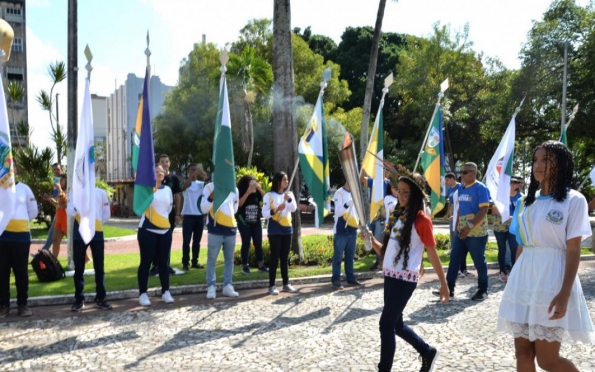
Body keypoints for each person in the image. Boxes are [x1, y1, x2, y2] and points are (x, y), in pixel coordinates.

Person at [497, 141, 594, 371]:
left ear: (560, 165)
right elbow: (522, 245)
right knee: (522, 354)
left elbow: (573, 250)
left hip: (552, 280)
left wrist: (564, 292)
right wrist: (513, 280)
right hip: (523, 279)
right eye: (535, 160)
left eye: (545, 160)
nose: (537, 165)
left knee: (548, 360)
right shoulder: (525, 202)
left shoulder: (574, 200)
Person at [368, 172, 449, 372]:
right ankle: (427, 351)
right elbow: (386, 251)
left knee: (386, 324)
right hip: (389, 276)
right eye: (399, 192)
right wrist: (371, 240)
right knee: (396, 325)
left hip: (404, 280)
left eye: (406, 193)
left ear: (416, 195)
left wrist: (444, 284)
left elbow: (432, 253)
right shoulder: (397, 215)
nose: (401, 197)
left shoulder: (422, 220)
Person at [439, 162, 490, 301]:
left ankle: (483, 290)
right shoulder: (460, 189)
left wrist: (469, 226)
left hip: (476, 232)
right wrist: (456, 228)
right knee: (454, 260)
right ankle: (449, 289)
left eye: (465, 172)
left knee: (479, 261)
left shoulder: (481, 188)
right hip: (461, 231)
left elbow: (484, 209)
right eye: (461, 172)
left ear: (474, 172)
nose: (461, 175)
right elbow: (458, 210)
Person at [0, 162, 38, 318]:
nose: (10, 169)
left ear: (16, 169)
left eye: (12, 166)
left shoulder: (25, 189)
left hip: (21, 238)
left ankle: (22, 305)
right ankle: (4, 306)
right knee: (2, 273)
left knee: (21, 273)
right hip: (2, 237)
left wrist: (19, 223)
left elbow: (33, 211)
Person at [67, 186, 112, 312]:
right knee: (79, 267)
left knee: (99, 267)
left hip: (96, 232)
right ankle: (79, 299)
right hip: (79, 232)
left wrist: (95, 223)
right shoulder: (74, 191)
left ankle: (101, 297)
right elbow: (70, 210)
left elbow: (106, 214)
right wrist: (78, 207)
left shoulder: (101, 192)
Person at [137, 164, 175, 306]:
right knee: (146, 262)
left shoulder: (168, 190)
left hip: (164, 230)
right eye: (156, 171)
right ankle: (143, 293)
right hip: (147, 230)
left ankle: (165, 291)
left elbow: (169, 208)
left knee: (164, 263)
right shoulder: (146, 190)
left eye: (161, 171)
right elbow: (140, 206)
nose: (160, 173)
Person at [201, 176, 240, 299]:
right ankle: (211, 286)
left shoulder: (234, 189)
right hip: (215, 228)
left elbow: (234, 209)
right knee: (212, 259)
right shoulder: (209, 187)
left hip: (230, 228)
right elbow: (203, 208)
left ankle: (228, 285)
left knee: (229, 259)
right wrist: (211, 197)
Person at [262, 172, 298, 295]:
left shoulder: (289, 194)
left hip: (287, 229)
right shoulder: (269, 196)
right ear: (278, 181)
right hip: (275, 229)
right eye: (284, 180)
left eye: (287, 180)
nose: (286, 182)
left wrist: (289, 199)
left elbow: (293, 208)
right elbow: (265, 213)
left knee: (284, 257)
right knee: (275, 257)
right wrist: (276, 209)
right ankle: (271, 285)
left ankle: (286, 284)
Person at [150, 154, 181, 276]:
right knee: (154, 240)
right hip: (155, 213)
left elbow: (178, 197)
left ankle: (166, 264)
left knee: (167, 239)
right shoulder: (154, 178)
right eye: (162, 161)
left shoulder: (174, 179)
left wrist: (178, 213)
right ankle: (155, 265)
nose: (164, 163)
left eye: (166, 161)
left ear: (170, 163)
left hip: (169, 213)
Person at [331, 181, 362, 289]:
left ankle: (350, 277)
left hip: (352, 229)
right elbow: (338, 212)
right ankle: (336, 279)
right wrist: (346, 205)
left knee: (350, 256)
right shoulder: (339, 193)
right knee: (338, 256)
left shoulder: (355, 192)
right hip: (341, 229)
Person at [491, 177, 522, 283]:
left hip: (513, 227)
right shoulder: (500, 196)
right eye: (511, 182)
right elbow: (494, 211)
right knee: (502, 249)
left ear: (518, 185)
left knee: (514, 249)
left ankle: (514, 272)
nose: (513, 184)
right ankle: (503, 272)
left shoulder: (521, 197)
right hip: (500, 226)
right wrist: (506, 216)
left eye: (515, 183)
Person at [236, 174, 268, 275]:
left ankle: (261, 265)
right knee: (246, 243)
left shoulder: (257, 193)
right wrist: (248, 192)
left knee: (258, 243)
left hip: (256, 222)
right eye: (252, 183)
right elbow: (239, 204)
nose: (254, 185)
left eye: (255, 182)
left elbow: (267, 200)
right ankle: (245, 266)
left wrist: (260, 189)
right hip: (244, 222)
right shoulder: (241, 192)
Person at [360, 169, 391, 271]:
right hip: (372, 216)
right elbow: (361, 179)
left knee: (378, 239)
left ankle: (379, 261)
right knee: (369, 236)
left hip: (381, 218)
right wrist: (364, 168)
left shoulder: (388, 183)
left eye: (382, 169)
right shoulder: (372, 181)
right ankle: (379, 260)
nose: (380, 171)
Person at [180, 163, 207, 271]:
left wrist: (206, 177)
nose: (194, 172)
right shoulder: (185, 182)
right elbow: (183, 187)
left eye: (196, 170)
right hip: (188, 216)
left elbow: (210, 188)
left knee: (197, 241)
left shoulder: (201, 184)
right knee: (186, 241)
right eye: (192, 170)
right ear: (188, 171)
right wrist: (191, 177)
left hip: (199, 216)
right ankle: (185, 262)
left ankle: (195, 261)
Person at [443, 172, 468, 277]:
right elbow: (450, 203)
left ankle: (462, 268)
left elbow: (462, 203)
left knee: (462, 241)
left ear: (452, 179)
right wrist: (447, 214)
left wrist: (458, 215)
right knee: (455, 241)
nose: (447, 183)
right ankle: (459, 268)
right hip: (454, 214)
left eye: (447, 180)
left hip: (459, 214)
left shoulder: (460, 187)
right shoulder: (450, 190)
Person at [42, 174, 68, 258]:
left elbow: (64, 201)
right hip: (59, 218)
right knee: (55, 240)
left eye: (62, 180)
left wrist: (59, 188)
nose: (59, 182)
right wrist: (53, 201)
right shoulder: (61, 190)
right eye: (59, 180)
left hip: (66, 219)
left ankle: (86, 259)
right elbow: (60, 204)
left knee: (72, 242)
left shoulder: (69, 190)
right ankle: (54, 261)